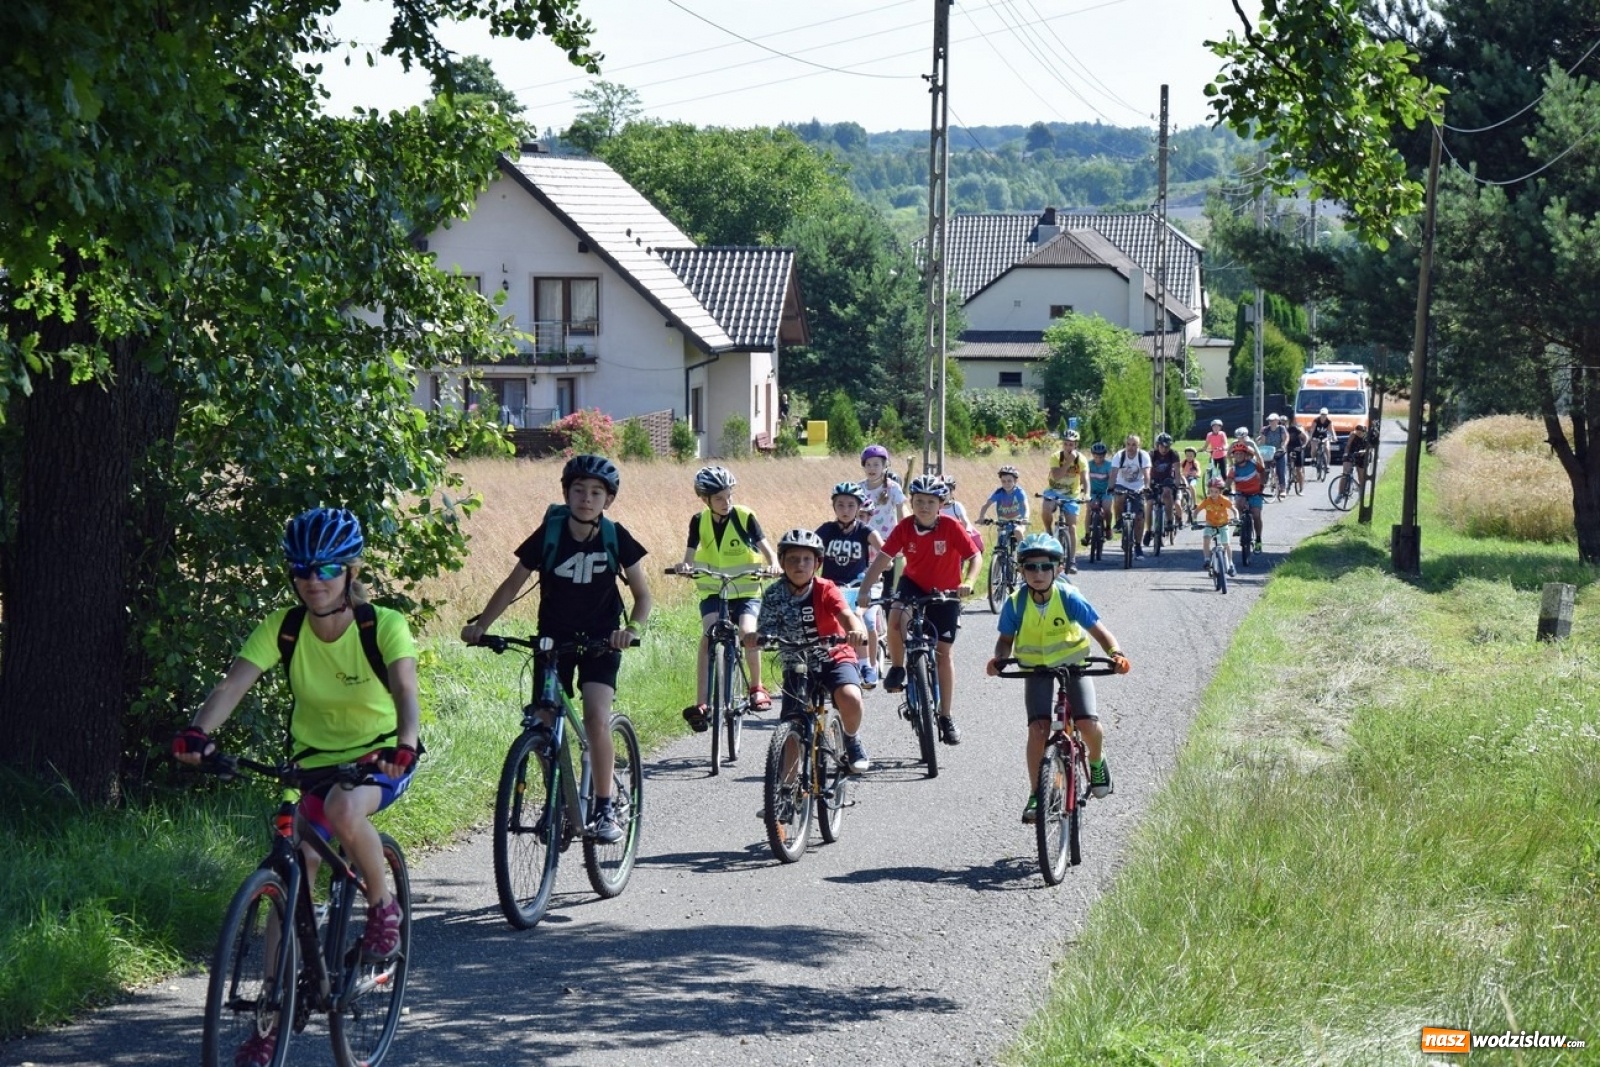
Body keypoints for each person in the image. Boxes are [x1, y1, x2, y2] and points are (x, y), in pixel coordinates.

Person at [174, 508, 421, 1066]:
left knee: (342, 810)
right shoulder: (283, 628)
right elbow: (234, 683)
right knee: (293, 866)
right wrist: (198, 732)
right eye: (302, 569)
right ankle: (271, 1016)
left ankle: (383, 908)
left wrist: (405, 743)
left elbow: (406, 691)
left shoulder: (381, 624)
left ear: (352, 571)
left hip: (381, 755)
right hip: (309, 760)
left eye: (329, 568)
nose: (314, 580)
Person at [461, 454, 652, 844]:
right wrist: (482, 626)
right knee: (544, 722)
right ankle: (558, 802)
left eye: (596, 492)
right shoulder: (549, 534)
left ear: (608, 500)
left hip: (602, 639)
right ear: (565, 494)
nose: (586, 498)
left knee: (597, 718)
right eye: (578, 490)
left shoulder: (617, 537)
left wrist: (630, 630)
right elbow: (512, 585)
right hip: (553, 640)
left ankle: (603, 807)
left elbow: (642, 595)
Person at [985, 532, 1128, 823]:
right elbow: (1005, 640)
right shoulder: (1016, 602)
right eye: (1030, 567)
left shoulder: (1069, 596)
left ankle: (1097, 761)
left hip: (1074, 664)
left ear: (1058, 569)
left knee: (1088, 724)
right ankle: (1037, 793)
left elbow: (1099, 631)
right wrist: (999, 659)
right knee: (1038, 729)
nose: (1037, 574)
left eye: (1044, 566)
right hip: (1035, 668)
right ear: (1021, 570)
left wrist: (1116, 653)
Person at [859, 474, 980, 746]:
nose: (924, 506)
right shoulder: (904, 527)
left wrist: (969, 582)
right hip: (913, 584)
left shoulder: (950, 526)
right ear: (911, 502)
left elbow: (975, 556)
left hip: (947, 591)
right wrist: (865, 590)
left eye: (930, 501)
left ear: (941, 503)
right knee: (895, 616)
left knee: (943, 654)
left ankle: (946, 717)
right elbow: (882, 559)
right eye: (919, 501)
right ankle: (899, 668)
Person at [758, 529, 872, 773]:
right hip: (796, 662)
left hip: (833, 656)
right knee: (791, 724)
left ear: (817, 563)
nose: (800, 565)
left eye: (806, 559)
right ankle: (785, 796)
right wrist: (752, 638)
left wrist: (855, 631)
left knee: (850, 696)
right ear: (781, 562)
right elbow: (763, 629)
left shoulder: (826, 588)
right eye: (792, 559)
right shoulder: (773, 594)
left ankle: (851, 740)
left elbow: (846, 615)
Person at [674, 464, 778, 723]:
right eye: (719, 498)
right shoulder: (699, 521)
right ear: (704, 499)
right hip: (713, 592)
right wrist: (684, 567)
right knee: (709, 636)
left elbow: (768, 550)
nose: (726, 502)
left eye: (729, 495)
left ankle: (757, 688)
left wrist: (774, 564)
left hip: (746, 591)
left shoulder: (745, 516)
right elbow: (688, 556)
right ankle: (702, 704)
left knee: (747, 632)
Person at [816, 481, 885, 688]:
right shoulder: (826, 530)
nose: (845, 510)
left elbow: (885, 552)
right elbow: (809, 549)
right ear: (834, 507)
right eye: (840, 505)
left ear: (858, 507)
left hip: (858, 586)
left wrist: (886, 564)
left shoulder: (865, 531)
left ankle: (865, 665)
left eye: (850, 505)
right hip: (832, 587)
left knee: (856, 616)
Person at [1041, 433, 1088, 573]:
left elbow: (1086, 479)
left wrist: (1087, 493)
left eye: (1071, 444)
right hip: (1054, 491)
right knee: (1046, 507)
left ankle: (1072, 560)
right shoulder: (1056, 457)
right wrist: (1068, 462)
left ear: (1076, 445)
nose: (1068, 447)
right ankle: (1049, 531)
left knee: (1072, 527)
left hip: (1071, 494)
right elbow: (1056, 476)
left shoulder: (1081, 459)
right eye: (1066, 444)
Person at [978, 464, 1030, 565]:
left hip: (1018, 521)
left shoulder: (1019, 492)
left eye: (1009, 481)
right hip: (1003, 523)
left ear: (1015, 481)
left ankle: (1023, 554)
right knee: (1000, 541)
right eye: (1003, 481)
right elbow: (986, 505)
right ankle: (997, 566)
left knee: (1018, 531)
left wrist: (1026, 518)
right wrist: (981, 517)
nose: (1006, 484)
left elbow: (1025, 506)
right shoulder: (999, 492)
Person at [1111, 434, 1151, 558]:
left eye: (1134, 444)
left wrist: (1147, 486)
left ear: (1139, 446)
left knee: (1139, 516)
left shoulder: (1143, 456)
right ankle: (1118, 521)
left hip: (1138, 487)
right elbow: (1113, 473)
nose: (1131, 447)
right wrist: (1111, 487)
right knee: (1119, 498)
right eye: (1128, 444)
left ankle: (1138, 547)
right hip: (1122, 484)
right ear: (1125, 444)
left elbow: (1147, 473)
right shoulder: (1119, 455)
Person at [1228, 432, 1267, 556]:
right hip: (1242, 493)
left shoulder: (1254, 464)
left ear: (1245, 455)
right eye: (1236, 454)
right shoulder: (1234, 469)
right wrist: (1226, 488)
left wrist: (1262, 485)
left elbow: (1263, 472)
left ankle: (1258, 540)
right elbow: (1229, 480)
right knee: (1239, 502)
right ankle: (1239, 524)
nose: (1238, 456)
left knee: (1256, 515)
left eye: (1240, 454)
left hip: (1255, 493)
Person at [1145, 433, 1183, 546]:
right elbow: (1146, 470)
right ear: (1157, 445)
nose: (1164, 449)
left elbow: (1177, 470)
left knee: (1167, 493)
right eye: (1162, 446)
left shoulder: (1173, 454)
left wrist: (1177, 483)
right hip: (1154, 479)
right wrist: (1146, 484)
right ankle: (1148, 530)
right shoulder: (1151, 454)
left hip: (1167, 479)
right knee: (1150, 503)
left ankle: (1170, 520)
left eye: (1167, 446)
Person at [1197, 476, 1238, 578]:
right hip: (1210, 524)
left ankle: (1230, 564)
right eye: (1211, 491)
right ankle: (1207, 560)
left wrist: (1236, 517)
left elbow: (1234, 509)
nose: (1213, 494)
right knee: (1206, 539)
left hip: (1223, 524)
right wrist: (1193, 520)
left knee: (1226, 544)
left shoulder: (1224, 500)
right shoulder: (1207, 501)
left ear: (1220, 492)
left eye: (1216, 492)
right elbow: (1196, 511)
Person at [1084, 441, 1115, 549]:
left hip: (1106, 492)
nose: (1098, 459)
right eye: (1096, 456)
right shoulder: (1088, 464)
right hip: (1092, 492)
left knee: (1107, 508)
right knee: (1088, 509)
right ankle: (1087, 534)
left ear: (1104, 455)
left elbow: (1111, 477)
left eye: (1101, 456)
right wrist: (1082, 489)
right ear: (1093, 455)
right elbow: (1084, 478)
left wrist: (1111, 488)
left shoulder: (1108, 465)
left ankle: (1108, 528)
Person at [1259, 413, 1290, 500]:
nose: (1271, 422)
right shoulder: (1265, 430)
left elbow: (1286, 438)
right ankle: (1260, 489)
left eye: (1273, 420)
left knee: (1281, 471)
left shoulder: (1281, 428)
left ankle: (1283, 489)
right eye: (1269, 420)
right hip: (1268, 453)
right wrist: (1261, 448)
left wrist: (1283, 445)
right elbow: (1263, 442)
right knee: (1264, 471)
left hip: (1280, 452)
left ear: (1277, 421)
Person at [1341, 421, 1372, 491]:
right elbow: (1348, 446)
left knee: (1361, 476)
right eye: (1357, 432)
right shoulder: (1353, 435)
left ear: (1364, 432)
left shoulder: (1368, 437)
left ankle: (1361, 490)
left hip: (1363, 456)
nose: (1358, 434)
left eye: (1360, 433)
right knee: (1345, 473)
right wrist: (1346, 454)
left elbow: (1370, 448)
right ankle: (1340, 493)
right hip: (1352, 453)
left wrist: (1364, 451)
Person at [1283, 417, 1309, 494]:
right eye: (1281, 422)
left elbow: (1305, 437)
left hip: (1297, 449)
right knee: (1284, 467)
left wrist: (1303, 446)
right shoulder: (1280, 430)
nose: (1283, 424)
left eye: (1285, 422)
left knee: (1298, 469)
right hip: (1287, 449)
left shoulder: (1293, 429)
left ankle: (1301, 489)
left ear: (1288, 422)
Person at [1308, 407, 1335, 473]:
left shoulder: (1329, 421)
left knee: (1327, 448)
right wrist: (1310, 437)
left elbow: (1332, 430)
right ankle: (1313, 459)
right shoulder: (1316, 420)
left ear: (1327, 415)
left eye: (1325, 414)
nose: (1323, 416)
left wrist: (1334, 436)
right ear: (1320, 414)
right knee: (1314, 448)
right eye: (1322, 414)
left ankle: (1328, 465)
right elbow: (1312, 429)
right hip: (1315, 436)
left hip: (1324, 436)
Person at [1205, 418, 1230, 482]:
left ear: (1220, 428)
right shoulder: (1209, 435)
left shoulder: (1222, 434)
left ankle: (1227, 487)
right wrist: (1203, 449)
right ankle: (1210, 485)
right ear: (1212, 427)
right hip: (1213, 455)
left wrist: (1224, 448)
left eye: (1218, 427)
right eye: (1214, 426)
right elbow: (1206, 445)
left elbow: (1226, 443)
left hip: (1222, 455)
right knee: (1211, 471)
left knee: (1223, 473)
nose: (1216, 428)